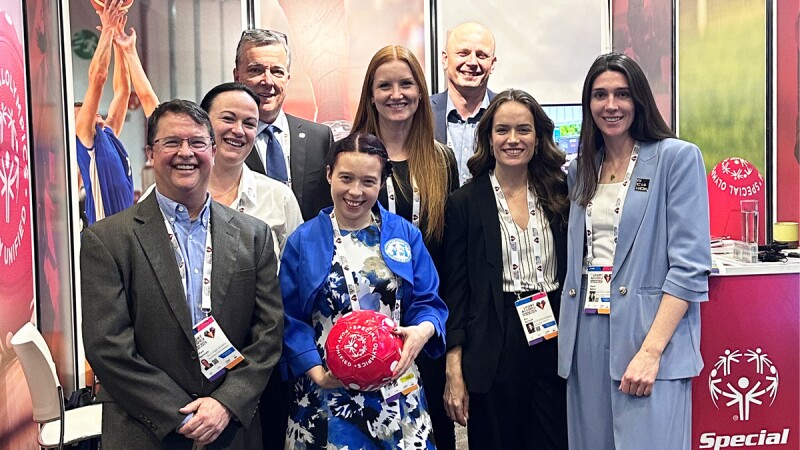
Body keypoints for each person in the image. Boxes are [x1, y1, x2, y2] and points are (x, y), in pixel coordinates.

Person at [81, 99, 284, 449]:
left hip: (231, 428)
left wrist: (225, 404)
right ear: (150, 152)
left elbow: (268, 333)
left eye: (196, 142)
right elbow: (107, 346)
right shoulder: (108, 239)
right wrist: (180, 414)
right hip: (143, 428)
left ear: (214, 150)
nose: (185, 153)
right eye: (171, 142)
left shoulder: (254, 235)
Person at [557, 53, 711, 449]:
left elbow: (690, 267)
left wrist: (651, 351)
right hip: (587, 332)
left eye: (622, 94)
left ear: (639, 99)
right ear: (588, 104)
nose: (611, 105)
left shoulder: (675, 158)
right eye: (600, 94)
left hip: (649, 332)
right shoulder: (581, 169)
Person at [280, 132, 448, 449]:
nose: (356, 191)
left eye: (368, 181)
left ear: (382, 182)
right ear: (329, 174)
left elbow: (429, 303)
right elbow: (288, 317)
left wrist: (422, 332)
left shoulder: (404, 234)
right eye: (346, 178)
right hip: (326, 390)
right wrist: (316, 372)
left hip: (396, 390)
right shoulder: (303, 240)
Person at [441, 89, 569, 450]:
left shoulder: (561, 194)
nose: (513, 139)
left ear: (539, 136)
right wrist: (454, 368)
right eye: (502, 130)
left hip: (554, 338)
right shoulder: (464, 203)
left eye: (523, 130)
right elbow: (456, 290)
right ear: (488, 137)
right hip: (494, 344)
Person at [351, 44, 458, 448]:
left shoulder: (441, 160)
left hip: (425, 325)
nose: (397, 94)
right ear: (371, 94)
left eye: (406, 84)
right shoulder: (353, 156)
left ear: (421, 91)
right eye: (385, 85)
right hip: (365, 326)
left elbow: (449, 249)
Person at [234, 28, 334, 221]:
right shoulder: (222, 139)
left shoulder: (319, 138)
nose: (268, 81)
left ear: (288, 78)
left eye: (277, 71)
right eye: (256, 70)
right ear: (237, 76)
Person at [75, 0, 134, 225]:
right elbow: (98, 77)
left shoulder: (108, 134)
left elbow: (122, 91)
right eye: (80, 113)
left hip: (126, 232)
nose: (91, 113)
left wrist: (119, 43)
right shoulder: (85, 141)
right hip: (105, 237)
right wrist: (107, 29)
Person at [431, 21, 497, 187]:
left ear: (493, 64)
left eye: (481, 55)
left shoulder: (508, 114)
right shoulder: (420, 113)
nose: (472, 62)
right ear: (445, 59)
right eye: (463, 53)